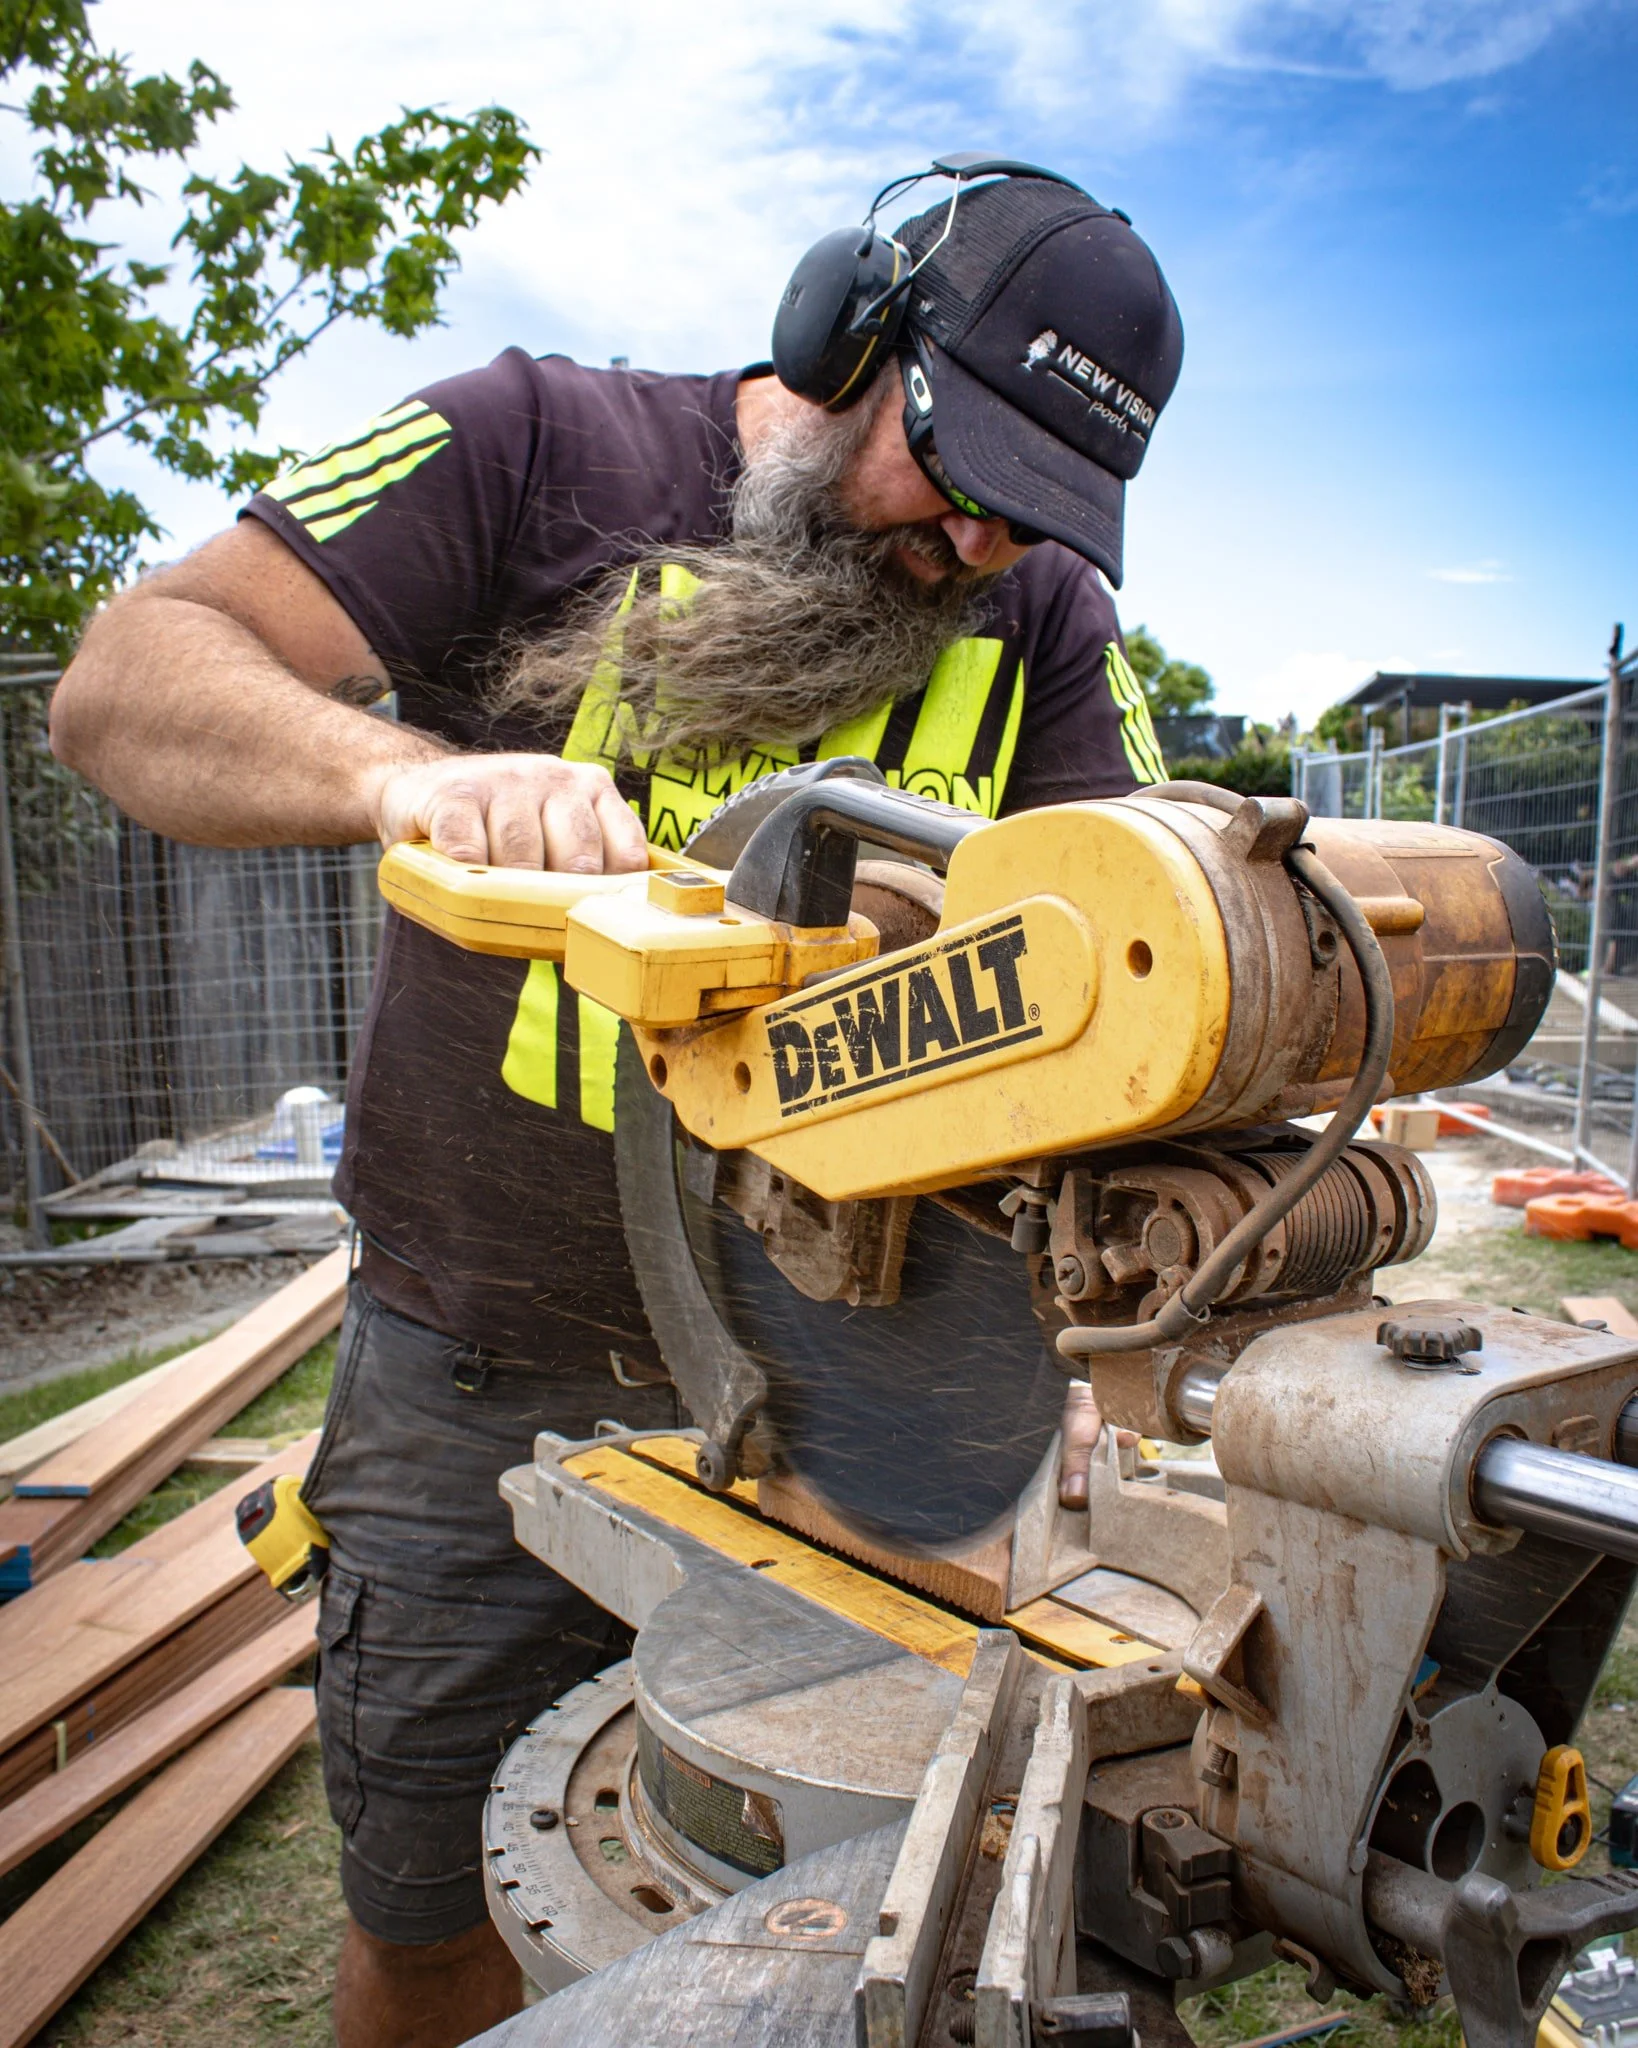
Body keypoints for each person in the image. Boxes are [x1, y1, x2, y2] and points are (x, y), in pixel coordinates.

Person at [50, 163, 1183, 2048]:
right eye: (957, 465)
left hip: (862, 1393)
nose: (982, 544)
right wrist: (401, 774)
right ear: (846, 331)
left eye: (1035, 513)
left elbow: (1156, 902)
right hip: (474, 1378)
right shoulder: (532, 443)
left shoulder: (1039, 613)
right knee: (427, 1912)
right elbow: (124, 682)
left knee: (876, 1915)